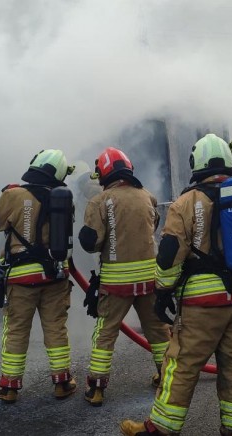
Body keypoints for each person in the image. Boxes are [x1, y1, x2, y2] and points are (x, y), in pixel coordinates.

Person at [120, 134, 232, 436]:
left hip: (203, 305)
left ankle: (161, 429)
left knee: (181, 365)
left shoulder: (186, 203)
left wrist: (163, 292)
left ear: (197, 165)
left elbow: (169, 256)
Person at [0, 149, 76, 404]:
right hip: (55, 276)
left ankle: (9, 387)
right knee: (56, 328)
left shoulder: (13, 194)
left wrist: (6, 194)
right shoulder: (64, 199)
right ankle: (62, 382)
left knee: (16, 330)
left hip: (21, 278)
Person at [78, 147, 168, 407]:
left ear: (104, 173)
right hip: (150, 280)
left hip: (117, 283)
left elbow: (92, 242)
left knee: (105, 333)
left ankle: (96, 388)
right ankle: (165, 377)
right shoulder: (147, 195)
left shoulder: (100, 201)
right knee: (159, 330)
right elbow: (155, 225)